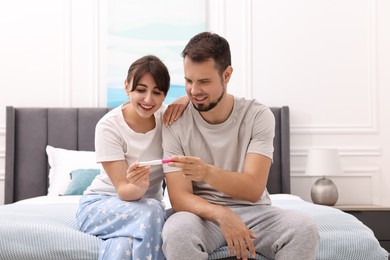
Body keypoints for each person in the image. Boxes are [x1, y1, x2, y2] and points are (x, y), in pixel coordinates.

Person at [161, 32, 320, 260]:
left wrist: (206, 172)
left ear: (227, 75)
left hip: (256, 213)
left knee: (303, 228)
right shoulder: (174, 121)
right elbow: (179, 197)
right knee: (177, 231)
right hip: (201, 216)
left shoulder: (257, 116)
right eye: (188, 81)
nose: (194, 90)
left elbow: (253, 189)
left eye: (204, 81)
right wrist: (221, 214)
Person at [76, 55, 187, 260]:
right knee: (153, 210)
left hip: (144, 213)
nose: (148, 99)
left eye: (157, 92)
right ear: (127, 87)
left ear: (165, 96)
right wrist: (139, 187)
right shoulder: (109, 126)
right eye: (141, 90)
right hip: (100, 207)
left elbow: (203, 102)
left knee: (125, 243)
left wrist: (186, 98)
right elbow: (125, 191)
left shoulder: (169, 120)